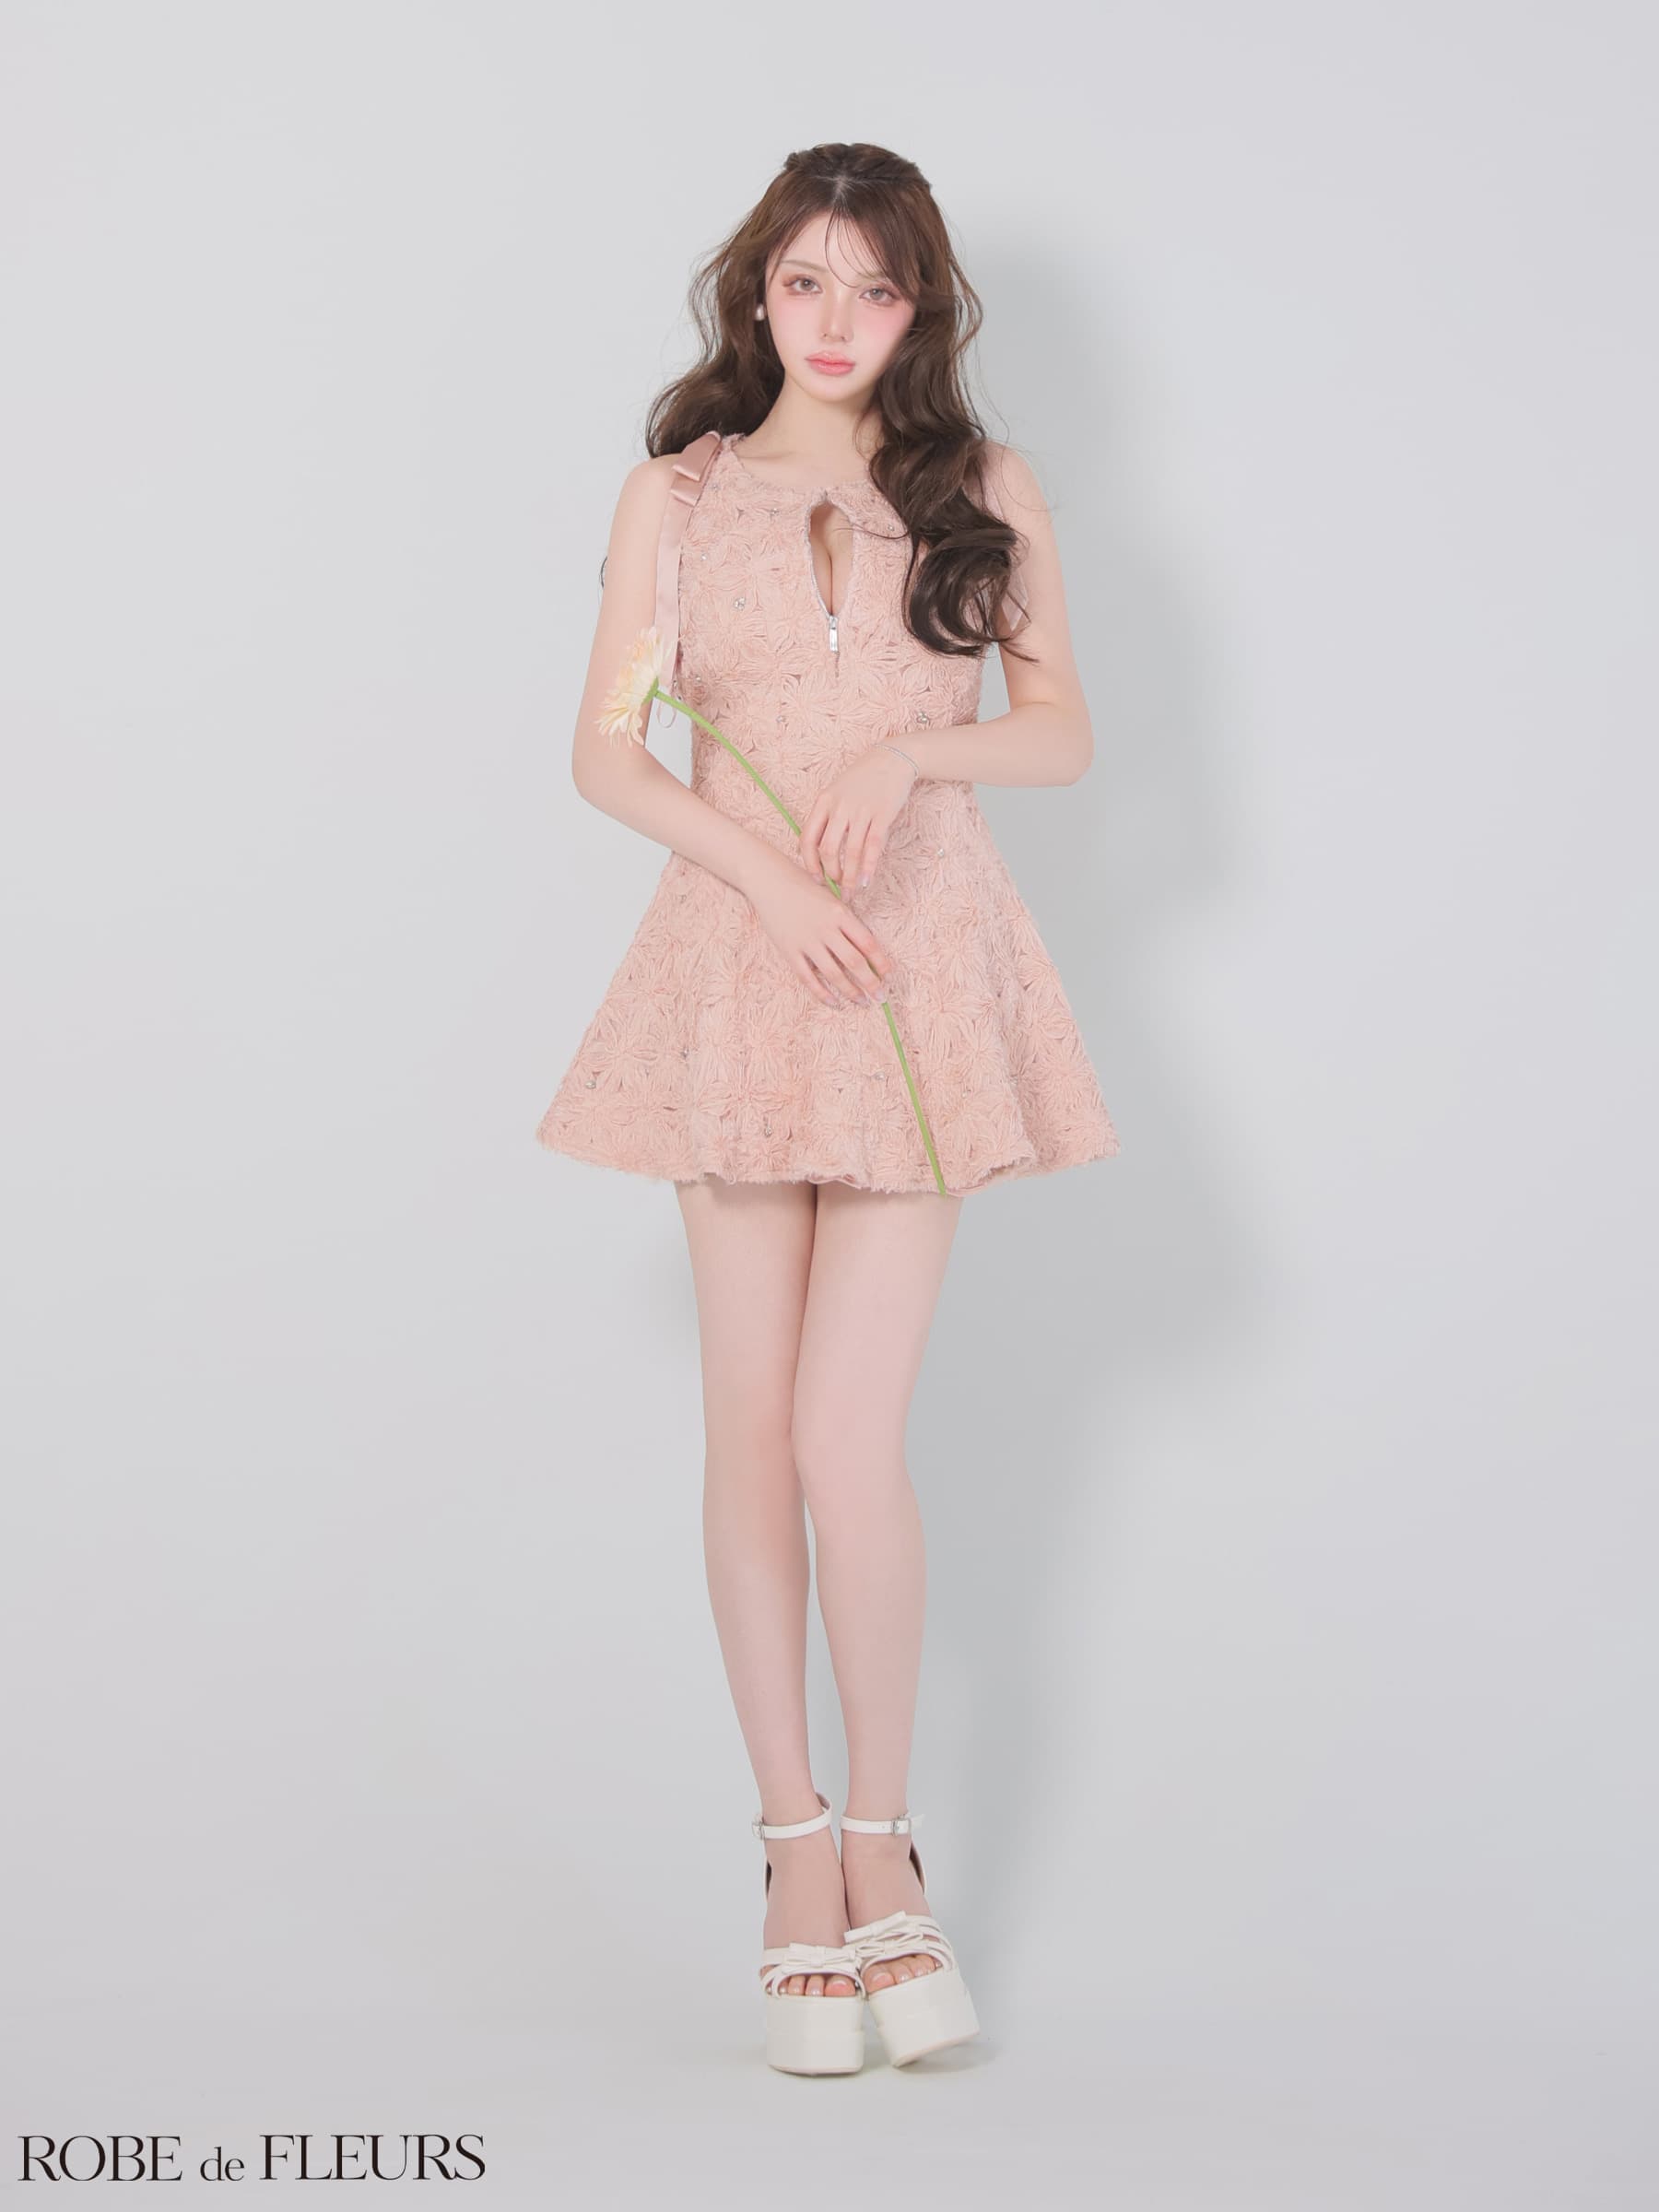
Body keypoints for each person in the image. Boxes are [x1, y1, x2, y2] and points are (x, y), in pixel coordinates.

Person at [535, 143, 1119, 2073]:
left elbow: (1059, 728)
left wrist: (906, 754)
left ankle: (886, 1845)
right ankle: (791, 1851)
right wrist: (768, 881)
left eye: (875, 286)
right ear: (758, 295)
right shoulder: (678, 494)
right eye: (805, 283)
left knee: (850, 1439)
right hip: (736, 969)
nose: (838, 319)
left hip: (918, 974)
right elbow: (608, 751)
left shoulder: (982, 488)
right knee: (752, 1428)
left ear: (920, 303)